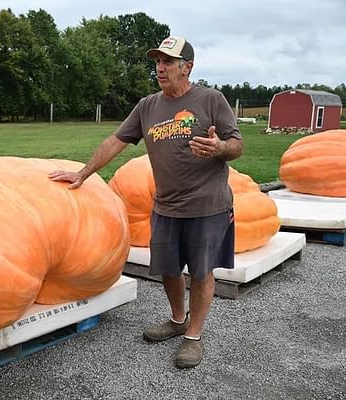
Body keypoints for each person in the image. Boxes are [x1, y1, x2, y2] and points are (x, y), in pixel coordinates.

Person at [48, 36, 243, 368]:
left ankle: (193, 336)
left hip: (207, 206)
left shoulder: (211, 99)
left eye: (168, 62)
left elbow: (236, 144)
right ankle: (178, 318)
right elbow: (116, 140)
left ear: (188, 67)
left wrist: (220, 149)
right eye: (157, 62)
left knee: (200, 271)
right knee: (167, 268)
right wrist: (84, 172)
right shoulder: (147, 106)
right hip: (166, 205)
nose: (160, 68)